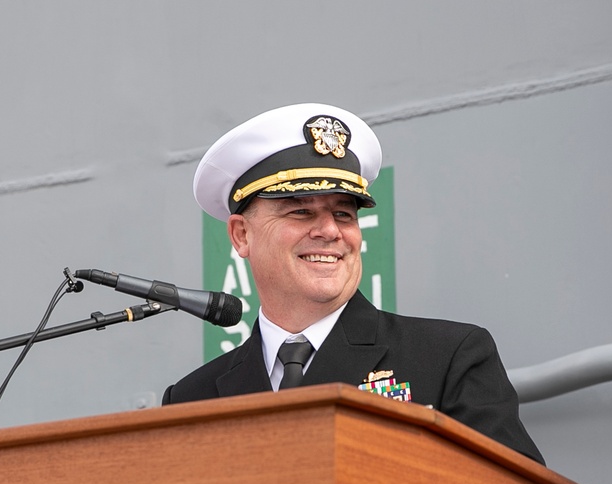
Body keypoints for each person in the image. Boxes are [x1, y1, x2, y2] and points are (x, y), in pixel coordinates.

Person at [161, 102, 545, 465]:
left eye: (344, 214)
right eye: (301, 211)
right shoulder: (193, 399)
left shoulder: (448, 359)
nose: (330, 231)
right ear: (242, 235)